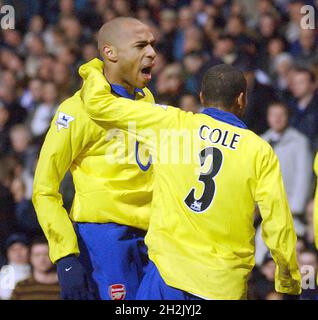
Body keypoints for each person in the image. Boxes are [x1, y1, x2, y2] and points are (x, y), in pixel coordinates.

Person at [79, 63, 301, 300]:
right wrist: (288, 281)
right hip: (222, 284)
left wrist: (93, 69)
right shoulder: (260, 150)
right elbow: (278, 223)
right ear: (241, 99)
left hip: (166, 276)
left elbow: (98, 105)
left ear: (202, 97)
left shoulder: (170, 123)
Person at [32, 17, 156, 300]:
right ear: (110, 53)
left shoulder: (146, 99)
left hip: (154, 236)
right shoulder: (76, 110)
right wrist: (64, 255)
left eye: (153, 45)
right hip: (105, 241)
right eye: (141, 46)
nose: (152, 53)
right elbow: (44, 189)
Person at [0, 233, 31, 300]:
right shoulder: (5, 272)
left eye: (21, 248)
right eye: (13, 249)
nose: (18, 253)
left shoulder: (36, 269)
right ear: (7, 253)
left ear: (29, 250)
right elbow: (5, 296)